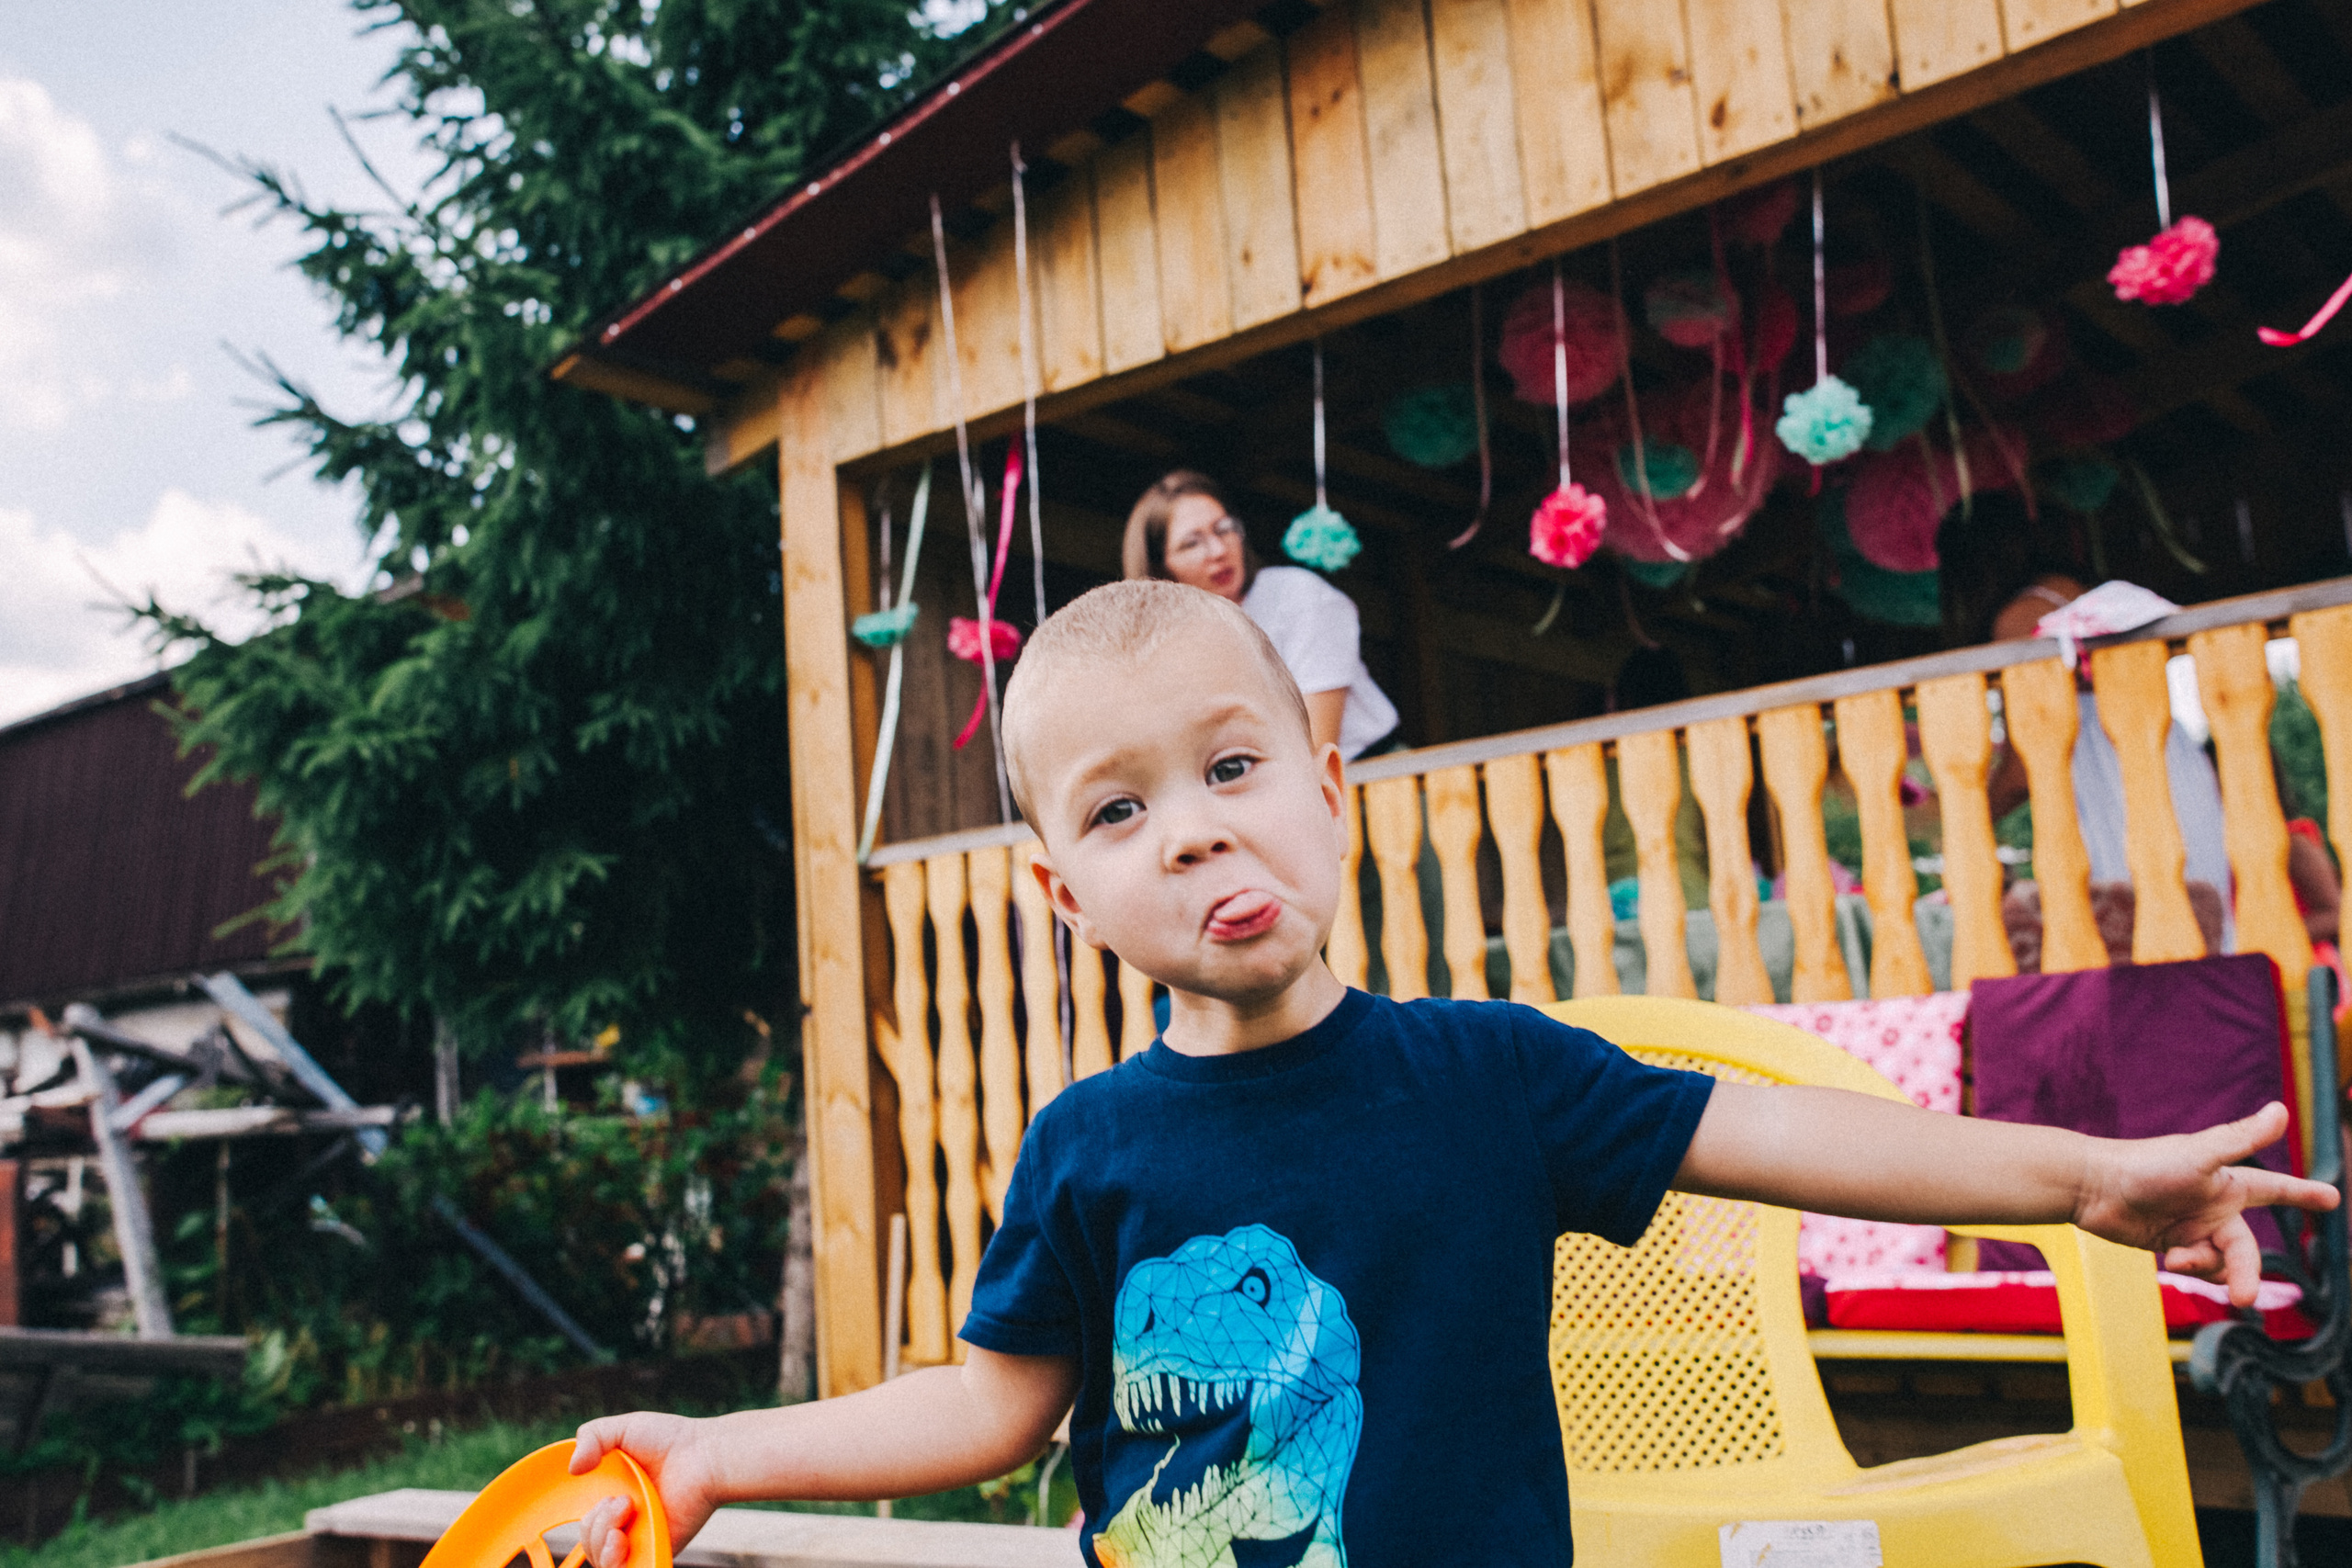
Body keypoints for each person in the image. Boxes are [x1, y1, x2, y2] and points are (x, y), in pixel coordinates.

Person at [568, 581, 2334, 1568]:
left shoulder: (1498, 1078)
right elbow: (986, 1408)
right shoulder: (1088, 1146)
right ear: (1063, 891)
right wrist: (724, 1450)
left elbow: (1803, 1136)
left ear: (1325, 791)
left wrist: (2090, 1181)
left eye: (1234, 765)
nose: (1193, 832)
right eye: (1120, 810)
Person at [1939, 498, 2232, 953]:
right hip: (2165, 756)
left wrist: (1962, 815)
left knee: (2131, 932)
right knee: (2196, 917)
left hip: (2106, 775)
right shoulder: (2080, 590)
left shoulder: (2018, 617)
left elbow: (2022, 769)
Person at [1124, 469, 1399, 761]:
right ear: (1160, 568)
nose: (1218, 550)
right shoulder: (1172, 644)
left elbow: (1316, 747)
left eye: (1224, 528)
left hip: (1374, 778)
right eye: (1192, 543)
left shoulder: (1297, 595)